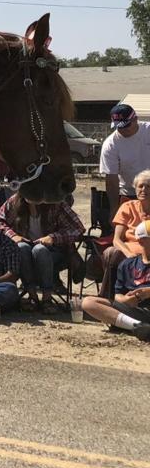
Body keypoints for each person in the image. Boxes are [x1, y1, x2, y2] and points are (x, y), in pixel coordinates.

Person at [0, 192, 84, 312]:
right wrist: (13, 236)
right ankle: (32, 296)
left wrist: (53, 237)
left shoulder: (56, 203)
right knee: (21, 247)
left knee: (40, 249)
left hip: (54, 253)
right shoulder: (14, 202)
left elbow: (77, 228)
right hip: (24, 252)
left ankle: (47, 298)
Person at [81, 207, 150, 341]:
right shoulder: (128, 265)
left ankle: (130, 325)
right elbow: (118, 296)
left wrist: (147, 292)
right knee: (88, 302)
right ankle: (138, 326)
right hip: (135, 310)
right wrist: (127, 300)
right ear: (141, 241)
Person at [94, 170, 150, 300]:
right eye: (140, 186)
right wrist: (129, 254)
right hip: (129, 252)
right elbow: (117, 240)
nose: (144, 189)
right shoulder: (127, 207)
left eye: (149, 186)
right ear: (135, 188)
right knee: (112, 253)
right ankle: (108, 298)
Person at [100, 104, 150, 216]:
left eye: (126, 125)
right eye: (119, 127)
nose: (122, 130)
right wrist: (114, 208)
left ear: (135, 119)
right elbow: (111, 180)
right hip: (131, 194)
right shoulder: (110, 144)